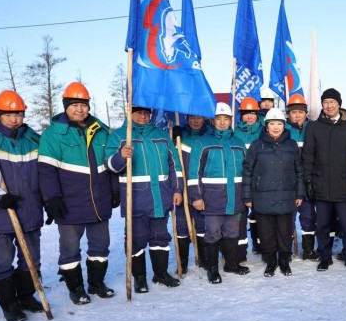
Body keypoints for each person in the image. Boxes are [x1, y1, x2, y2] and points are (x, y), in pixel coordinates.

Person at [39, 82, 118, 305]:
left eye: (83, 104)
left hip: (99, 202)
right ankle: (76, 288)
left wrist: (114, 191)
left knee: (100, 247)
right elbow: (46, 170)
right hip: (69, 204)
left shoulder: (101, 131)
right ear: (65, 106)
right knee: (70, 249)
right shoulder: (53, 135)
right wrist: (51, 198)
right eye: (74, 105)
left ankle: (96, 283)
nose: (79, 109)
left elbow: (109, 166)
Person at [106, 106, 183, 292]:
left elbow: (175, 165)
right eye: (138, 112)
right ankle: (139, 278)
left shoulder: (162, 135)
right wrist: (121, 156)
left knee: (160, 238)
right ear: (129, 113)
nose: (143, 116)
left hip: (161, 197)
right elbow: (110, 165)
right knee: (136, 239)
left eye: (146, 113)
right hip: (136, 199)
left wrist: (177, 189)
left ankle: (161, 273)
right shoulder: (119, 136)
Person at [0, 91, 43, 321]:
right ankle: (8, 303)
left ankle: (26, 296)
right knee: (3, 260)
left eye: (18, 114)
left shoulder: (32, 138)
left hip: (29, 208)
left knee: (31, 257)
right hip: (0, 211)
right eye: (8, 114)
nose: (14, 119)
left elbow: (45, 172)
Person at [188, 102, 248, 284]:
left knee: (232, 232)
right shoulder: (202, 143)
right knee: (213, 233)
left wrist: (247, 196)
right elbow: (194, 173)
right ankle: (212, 269)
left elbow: (246, 172)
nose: (222, 122)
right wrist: (196, 197)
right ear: (212, 121)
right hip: (212, 199)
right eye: (219, 119)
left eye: (226, 119)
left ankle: (231, 264)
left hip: (235, 198)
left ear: (231, 120)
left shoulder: (238, 143)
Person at [302, 88, 346, 272]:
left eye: (332, 102)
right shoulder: (313, 127)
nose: (329, 105)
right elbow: (308, 155)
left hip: (344, 186)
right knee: (323, 225)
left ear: (339, 104)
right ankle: (325, 256)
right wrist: (308, 181)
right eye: (326, 102)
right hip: (321, 185)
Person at [242, 108, 304, 277]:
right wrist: (247, 196)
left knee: (285, 232)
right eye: (272, 124)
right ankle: (270, 262)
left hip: (287, 196)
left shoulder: (291, 145)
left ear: (284, 126)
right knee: (266, 233)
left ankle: (284, 262)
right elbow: (248, 171)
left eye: (279, 123)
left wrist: (299, 194)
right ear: (266, 126)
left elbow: (299, 171)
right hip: (262, 197)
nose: (276, 127)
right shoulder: (256, 145)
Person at [171, 115, 212, 273]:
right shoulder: (180, 137)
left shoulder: (209, 136)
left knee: (203, 226)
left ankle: (203, 258)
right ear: (187, 119)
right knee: (181, 226)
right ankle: (182, 263)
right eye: (192, 118)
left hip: (203, 189)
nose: (196, 121)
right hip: (183, 189)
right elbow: (172, 162)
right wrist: (174, 139)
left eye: (199, 118)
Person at [285, 93, 318, 261]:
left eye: (300, 111)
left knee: (309, 216)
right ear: (288, 114)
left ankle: (308, 249)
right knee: (288, 218)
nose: (297, 115)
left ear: (306, 113)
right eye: (293, 112)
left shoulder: (313, 128)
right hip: (288, 183)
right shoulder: (282, 130)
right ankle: (287, 251)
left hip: (307, 181)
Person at [235, 97, 263, 261]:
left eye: (252, 113)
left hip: (259, 178)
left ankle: (260, 245)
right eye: (246, 114)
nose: (250, 117)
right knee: (241, 215)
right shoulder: (234, 131)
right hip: (240, 178)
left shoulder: (263, 130)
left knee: (260, 214)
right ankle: (240, 251)